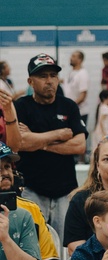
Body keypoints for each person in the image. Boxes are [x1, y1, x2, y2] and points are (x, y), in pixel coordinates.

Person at [13, 53, 88, 237]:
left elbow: (79, 146)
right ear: (30, 81)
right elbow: (20, 143)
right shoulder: (20, 106)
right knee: (33, 244)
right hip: (31, 190)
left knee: (65, 245)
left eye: (53, 76)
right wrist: (58, 134)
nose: (49, 81)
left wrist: (39, 142)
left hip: (65, 190)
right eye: (43, 76)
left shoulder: (69, 106)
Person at [62, 51, 91, 126]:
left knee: (79, 136)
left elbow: (83, 95)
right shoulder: (71, 72)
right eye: (71, 56)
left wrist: (71, 106)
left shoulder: (83, 74)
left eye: (74, 56)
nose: (71, 58)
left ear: (80, 60)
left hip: (80, 112)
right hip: (69, 112)